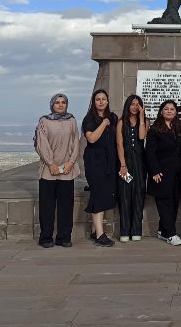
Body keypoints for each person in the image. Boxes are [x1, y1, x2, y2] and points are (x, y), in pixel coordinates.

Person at [35, 93, 80, 248]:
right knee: (47, 206)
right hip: (49, 171)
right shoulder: (44, 121)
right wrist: (51, 163)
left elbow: (76, 141)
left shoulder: (71, 120)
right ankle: (46, 237)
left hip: (67, 170)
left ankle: (64, 237)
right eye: (57, 102)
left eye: (63, 102)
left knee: (66, 206)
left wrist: (71, 162)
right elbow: (41, 143)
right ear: (52, 105)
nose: (60, 105)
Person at [82, 89, 118, 247]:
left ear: (108, 101)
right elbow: (91, 139)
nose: (101, 101)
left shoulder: (113, 117)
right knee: (98, 194)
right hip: (94, 161)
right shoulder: (89, 118)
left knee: (104, 193)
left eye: (104, 99)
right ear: (94, 101)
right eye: (98, 99)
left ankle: (94, 230)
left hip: (109, 161)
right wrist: (104, 123)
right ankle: (100, 235)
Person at [146, 100, 181, 245]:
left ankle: (163, 231)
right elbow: (150, 153)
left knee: (174, 203)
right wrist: (155, 171)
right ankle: (171, 234)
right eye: (166, 109)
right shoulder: (155, 129)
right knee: (164, 204)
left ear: (176, 112)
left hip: (176, 174)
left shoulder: (179, 128)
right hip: (161, 174)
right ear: (161, 111)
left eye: (172, 109)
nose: (169, 111)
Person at [116, 94, 149, 242]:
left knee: (138, 195)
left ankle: (136, 230)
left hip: (140, 163)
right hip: (125, 162)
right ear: (128, 105)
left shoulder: (145, 121)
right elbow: (119, 144)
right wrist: (123, 164)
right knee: (125, 196)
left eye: (138, 104)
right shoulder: (121, 122)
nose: (135, 107)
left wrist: (141, 117)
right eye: (132, 104)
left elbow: (141, 137)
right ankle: (124, 231)